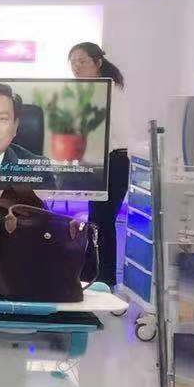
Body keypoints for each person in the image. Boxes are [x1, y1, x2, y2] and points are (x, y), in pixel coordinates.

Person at [70, 42, 130, 286]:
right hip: (98, 160)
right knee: (97, 219)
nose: (76, 67)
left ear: (98, 63)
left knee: (103, 221)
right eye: (73, 62)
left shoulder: (108, 90)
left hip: (114, 161)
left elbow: (105, 132)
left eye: (82, 61)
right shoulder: (89, 91)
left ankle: (104, 277)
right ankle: (91, 272)